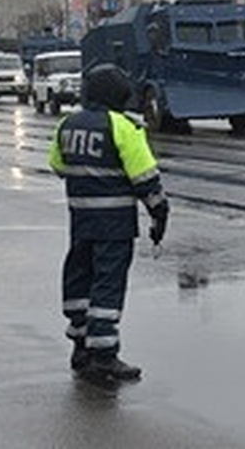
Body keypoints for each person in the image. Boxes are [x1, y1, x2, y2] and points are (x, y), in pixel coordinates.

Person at [48, 63, 170, 384]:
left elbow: (57, 165)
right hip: (114, 226)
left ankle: (80, 347)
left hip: (80, 222)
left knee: (80, 279)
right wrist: (159, 213)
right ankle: (104, 355)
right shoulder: (122, 127)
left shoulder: (67, 125)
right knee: (107, 286)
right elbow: (145, 178)